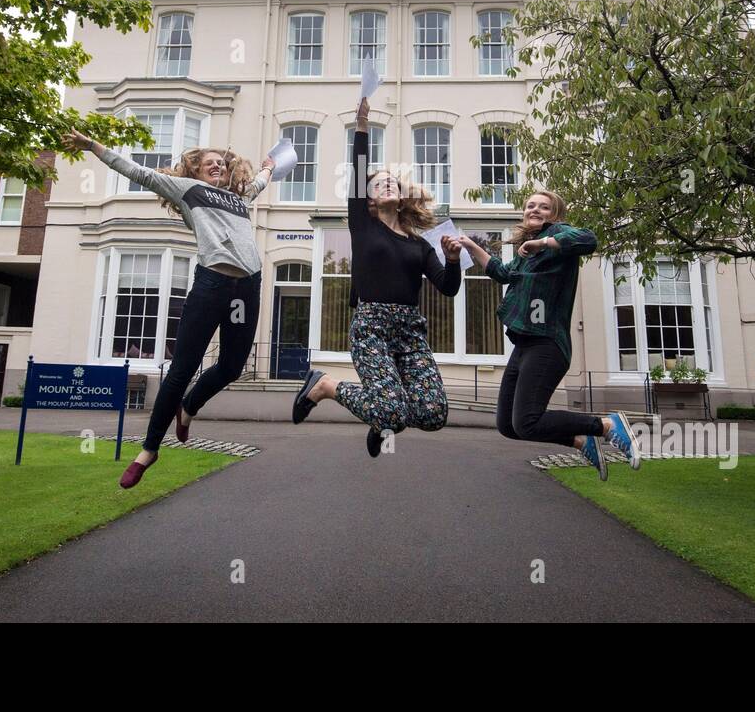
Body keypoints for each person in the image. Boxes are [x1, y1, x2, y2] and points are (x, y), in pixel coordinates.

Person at [63, 130, 275, 488]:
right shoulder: (188, 190)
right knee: (182, 367)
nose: (217, 166)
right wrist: (93, 146)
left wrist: (269, 167)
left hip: (247, 287)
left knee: (232, 368)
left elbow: (259, 181)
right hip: (211, 284)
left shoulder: (239, 198)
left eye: (221, 163)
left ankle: (189, 407)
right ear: (195, 171)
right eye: (209, 163)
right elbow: (137, 172)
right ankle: (148, 449)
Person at [291, 97, 462, 457]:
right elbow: (357, 169)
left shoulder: (420, 244)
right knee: (392, 410)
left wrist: (452, 259)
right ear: (367, 199)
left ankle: (381, 418)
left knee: (433, 414)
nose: (386, 185)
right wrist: (363, 126)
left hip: (410, 331)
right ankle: (325, 385)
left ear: (400, 198)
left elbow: (448, 288)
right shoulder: (363, 226)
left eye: (391, 183)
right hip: (371, 326)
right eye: (377, 183)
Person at [458, 191, 641, 479]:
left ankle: (607, 425)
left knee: (528, 421)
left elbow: (588, 239)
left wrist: (543, 241)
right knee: (509, 425)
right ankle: (580, 440)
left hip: (547, 343)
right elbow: (501, 272)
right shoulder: (525, 253)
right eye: (531, 205)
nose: (536, 209)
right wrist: (469, 245)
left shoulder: (559, 234)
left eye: (544, 207)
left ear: (554, 214)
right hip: (524, 345)